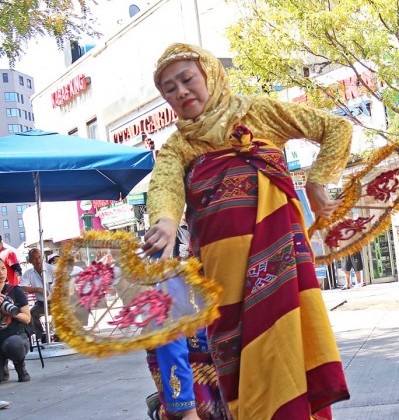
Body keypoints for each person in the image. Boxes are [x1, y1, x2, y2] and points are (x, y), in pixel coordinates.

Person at [140, 43, 350, 419]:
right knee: (238, 367)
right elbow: (165, 187)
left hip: (280, 262)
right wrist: (166, 222)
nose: (181, 92)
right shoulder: (178, 145)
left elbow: (335, 127)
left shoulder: (259, 111)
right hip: (221, 280)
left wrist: (317, 183)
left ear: (209, 74)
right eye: (169, 89)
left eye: (187, 79)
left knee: (287, 351)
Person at [146, 328, 228, 420]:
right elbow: (173, 353)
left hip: (217, 359)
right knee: (201, 409)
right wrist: (188, 411)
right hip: (169, 361)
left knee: (233, 404)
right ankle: (160, 410)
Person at [0, 264, 32, 383]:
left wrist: (13, 313)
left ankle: (20, 367)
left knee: (13, 344)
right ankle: (3, 369)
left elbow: (27, 318)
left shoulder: (15, 291)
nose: (1, 272)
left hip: (16, 336)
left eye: (3, 268)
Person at [20, 248, 56, 343]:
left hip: (55, 301)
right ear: (30, 260)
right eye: (34, 258)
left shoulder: (52, 269)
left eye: (39, 257)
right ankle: (41, 336)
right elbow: (22, 287)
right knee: (30, 314)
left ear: (42, 257)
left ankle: (56, 334)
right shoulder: (28, 273)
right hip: (41, 303)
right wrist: (38, 289)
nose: (38, 260)